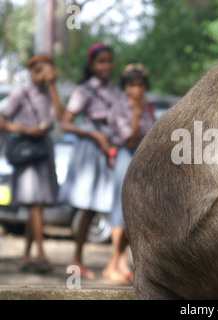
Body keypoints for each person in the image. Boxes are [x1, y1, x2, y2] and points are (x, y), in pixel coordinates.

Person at [58, 43, 120, 280]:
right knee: (88, 205)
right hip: (91, 149)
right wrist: (94, 133)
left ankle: (117, 262)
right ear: (92, 65)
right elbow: (66, 123)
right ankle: (76, 259)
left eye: (109, 60)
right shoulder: (84, 90)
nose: (106, 65)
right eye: (101, 61)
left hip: (111, 147)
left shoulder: (116, 90)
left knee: (113, 203)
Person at [0, 55, 63, 273]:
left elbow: (61, 118)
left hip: (43, 152)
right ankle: (41, 255)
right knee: (35, 205)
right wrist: (26, 130)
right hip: (27, 153)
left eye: (47, 70)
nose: (43, 74)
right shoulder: (21, 94)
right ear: (31, 71)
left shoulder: (49, 93)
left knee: (38, 206)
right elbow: (2, 120)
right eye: (38, 70)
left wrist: (53, 85)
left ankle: (26, 256)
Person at [102, 63, 156, 285]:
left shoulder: (148, 107)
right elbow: (130, 137)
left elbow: (153, 134)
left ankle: (125, 263)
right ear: (125, 87)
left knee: (137, 210)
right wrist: (135, 114)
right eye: (132, 85)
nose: (136, 90)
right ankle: (114, 263)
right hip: (126, 155)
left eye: (141, 85)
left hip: (142, 158)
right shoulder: (119, 107)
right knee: (121, 209)